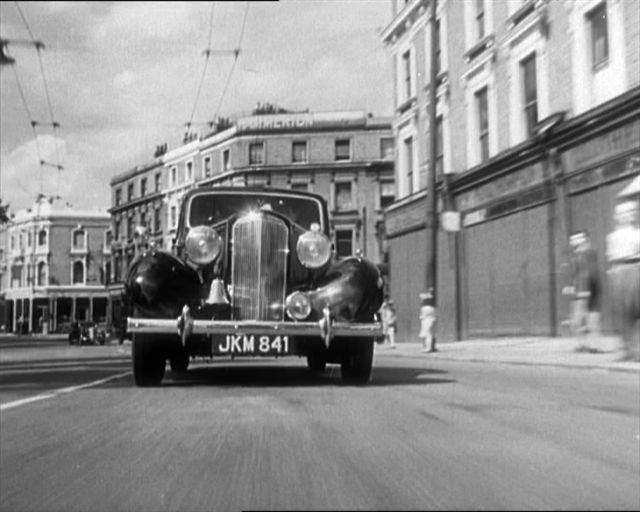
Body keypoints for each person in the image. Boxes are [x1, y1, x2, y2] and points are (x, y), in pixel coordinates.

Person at [606, 199, 640, 361]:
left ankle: (637, 350)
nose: (627, 216)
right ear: (616, 216)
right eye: (622, 213)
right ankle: (626, 350)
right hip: (617, 271)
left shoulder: (637, 233)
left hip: (634, 268)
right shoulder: (612, 237)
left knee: (635, 310)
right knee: (621, 312)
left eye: (630, 212)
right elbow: (611, 256)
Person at [565, 231, 601, 347]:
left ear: (584, 239)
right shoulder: (576, 254)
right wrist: (571, 286)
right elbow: (574, 273)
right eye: (572, 239)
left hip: (586, 288)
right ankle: (585, 344)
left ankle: (592, 344)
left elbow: (589, 272)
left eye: (577, 238)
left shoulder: (587, 252)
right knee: (583, 317)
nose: (573, 241)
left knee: (587, 317)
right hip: (581, 288)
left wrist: (585, 290)